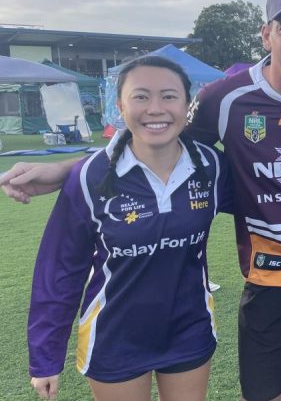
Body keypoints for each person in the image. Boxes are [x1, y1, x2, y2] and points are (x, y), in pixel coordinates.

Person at [3, 0, 281, 401]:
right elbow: (160, 142)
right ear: (266, 34)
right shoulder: (223, 98)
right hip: (271, 275)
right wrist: (69, 170)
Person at [27, 55, 231, 401]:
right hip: (114, 336)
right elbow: (60, 268)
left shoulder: (210, 166)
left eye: (169, 96)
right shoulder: (91, 176)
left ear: (187, 105)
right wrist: (45, 357)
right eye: (141, 96)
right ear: (120, 106)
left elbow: (265, 197)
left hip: (189, 328)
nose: (156, 108)